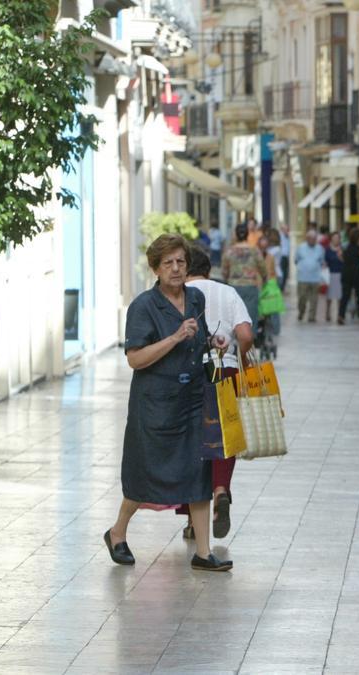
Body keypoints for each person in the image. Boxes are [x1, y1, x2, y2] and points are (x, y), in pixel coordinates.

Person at [105, 234, 232, 572]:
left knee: (199, 474)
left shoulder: (194, 299)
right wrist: (175, 337)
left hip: (193, 401)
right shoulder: (144, 306)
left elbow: (198, 340)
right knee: (146, 472)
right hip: (156, 405)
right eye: (168, 263)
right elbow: (135, 359)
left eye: (181, 262)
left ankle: (203, 552)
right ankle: (117, 532)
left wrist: (214, 342)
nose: (176, 269)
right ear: (155, 269)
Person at [180, 244, 253, 541]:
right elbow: (245, 335)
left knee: (191, 439)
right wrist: (243, 356)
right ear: (209, 270)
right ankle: (221, 488)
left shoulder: (179, 293)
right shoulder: (227, 292)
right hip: (227, 369)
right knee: (224, 435)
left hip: (191, 372)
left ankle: (191, 521)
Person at [221, 222, 266, 327]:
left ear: (236, 235)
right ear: (247, 234)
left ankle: (237, 338)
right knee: (251, 315)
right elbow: (263, 267)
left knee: (234, 315)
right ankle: (250, 340)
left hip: (233, 287)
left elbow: (224, 271)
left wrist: (227, 280)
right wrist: (264, 279)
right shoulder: (254, 250)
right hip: (250, 286)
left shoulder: (229, 251)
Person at [294, 230, 327, 323]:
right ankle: (301, 312)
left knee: (314, 299)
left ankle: (312, 316)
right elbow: (296, 260)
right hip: (302, 277)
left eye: (314, 238)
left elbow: (322, 261)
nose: (313, 240)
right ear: (307, 238)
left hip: (315, 277)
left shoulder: (320, 248)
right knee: (302, 298)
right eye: (311, 238)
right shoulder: (301, 247)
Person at [339, 226, 359, 324]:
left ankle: (341, 315)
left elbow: (341, 257)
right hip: (356, 273)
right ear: (358, 238)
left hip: (346, 272)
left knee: (345, 296)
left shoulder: (346, 247)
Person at [324, 234, 344, 322]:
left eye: (337, 238)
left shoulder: (343, 249)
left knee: (340, 296)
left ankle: (339, 313)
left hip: (340, 274)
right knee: (329, 296)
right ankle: (327, 313)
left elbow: (345, 262)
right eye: (334, 238)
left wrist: (341, 256)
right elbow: (325, 261)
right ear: (331, 239)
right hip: (330, 274)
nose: (336, 240)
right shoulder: (328, 250)